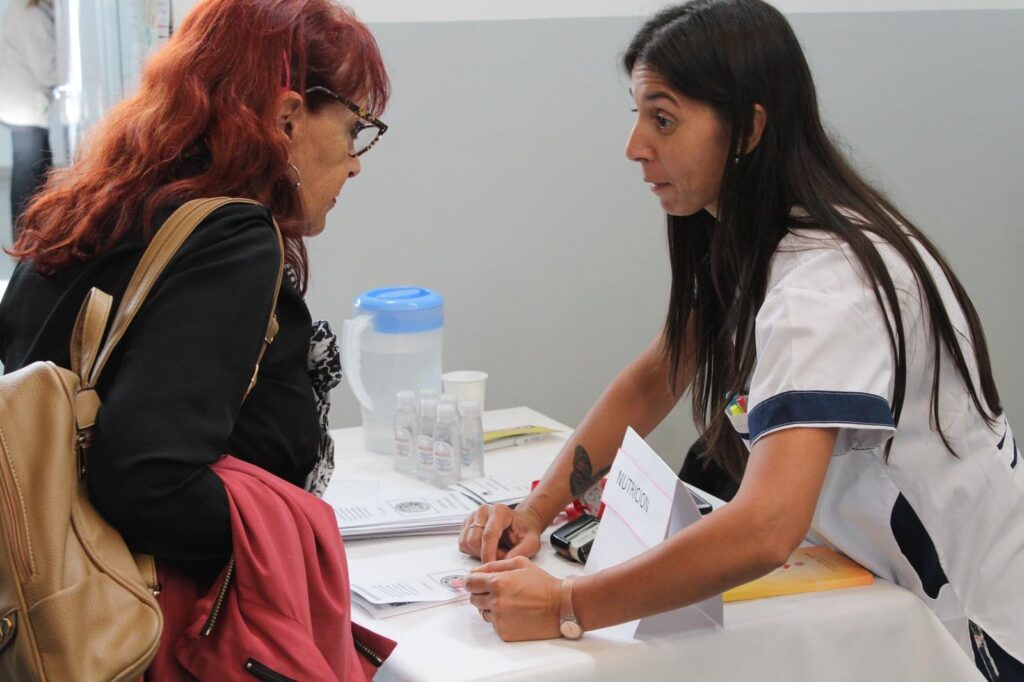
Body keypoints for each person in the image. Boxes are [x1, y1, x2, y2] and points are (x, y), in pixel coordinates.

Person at [457, 1, 1022, 678]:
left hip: (974, 633)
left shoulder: (828, 286)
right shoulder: (753, 241)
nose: (635, 145)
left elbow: (765, 527)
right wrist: (537, 511)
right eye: (637, 114)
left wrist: (565, 606)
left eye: (663, 118)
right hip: (875, 592)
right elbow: (655, 376)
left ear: (748, 128)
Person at [0, 0, 389, 661]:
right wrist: (292, 532)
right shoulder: (230, 237)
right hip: (149, 641)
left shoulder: (90, 209)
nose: (355, 164)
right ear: (289, 115)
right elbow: (147, 479)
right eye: (356, 129)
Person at [0, 0, 56, 238]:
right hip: (25, 109)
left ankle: (26, 237)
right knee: (31, 176)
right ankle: (27, 238)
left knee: (28, 174)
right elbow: (47, 70)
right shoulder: (31, 14)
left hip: (18, 106)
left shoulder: (22, 8)